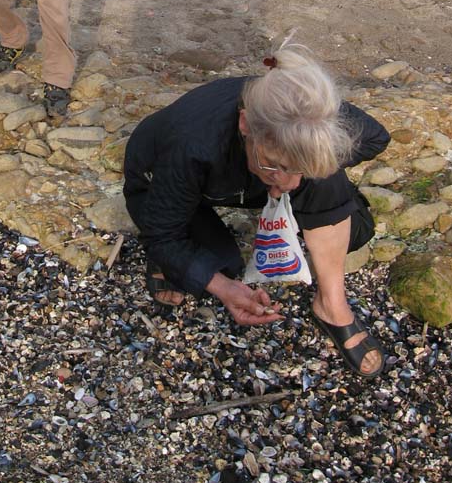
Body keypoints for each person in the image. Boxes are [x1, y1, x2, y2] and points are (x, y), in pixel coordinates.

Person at [123, 40, 391, 379]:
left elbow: (376, 138)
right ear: (245, 124)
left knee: (343, 205)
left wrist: (304, 165)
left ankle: (332, 306)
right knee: (219, 263)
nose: (292, 183)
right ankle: (178, 251)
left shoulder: (302, 109)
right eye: (276, 164)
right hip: (160, 177)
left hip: (244, 177)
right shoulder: (192, 144)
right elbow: (162, 236)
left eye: (295, 172)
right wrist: (225, 289)